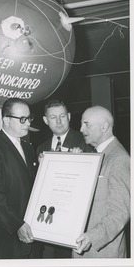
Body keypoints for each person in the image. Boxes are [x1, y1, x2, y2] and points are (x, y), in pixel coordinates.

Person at [0, 98, 43, 259]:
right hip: (6, 238)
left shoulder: (28, 147)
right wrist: (17, 225)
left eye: (29, 118)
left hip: (31, 234)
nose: (27, 123)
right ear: (6, 119)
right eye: (22, 119)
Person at [36, 99, 93, 258]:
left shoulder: (85, 141)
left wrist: (82, 161)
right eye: (53, 117)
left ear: (69, 116)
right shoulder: (41, 148)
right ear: (46, 120)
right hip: (47, 223)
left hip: (74, 223)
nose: (59, 121)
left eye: (62, 116)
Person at [72, 106, 130, 258]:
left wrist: (92, 237)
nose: (81, 129)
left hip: (102, 253)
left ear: (104, 126)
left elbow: (120, 213)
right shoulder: (97, 154)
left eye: (87, 124)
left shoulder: (120, 159)